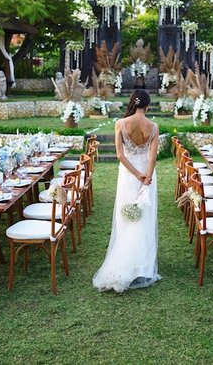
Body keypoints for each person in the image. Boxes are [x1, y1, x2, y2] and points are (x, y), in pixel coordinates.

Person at [93, 89, 161, 293]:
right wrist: (146, 178)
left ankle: (125, 258)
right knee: (144, 217)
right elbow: (152, 158)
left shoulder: (121, 124)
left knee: (126, 217)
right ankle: (142, 263)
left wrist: (137, 175)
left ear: (133, 103)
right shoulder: (154, 127)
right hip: (147, 176)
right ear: (147, 106)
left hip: (129, 175)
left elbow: (121, 156)